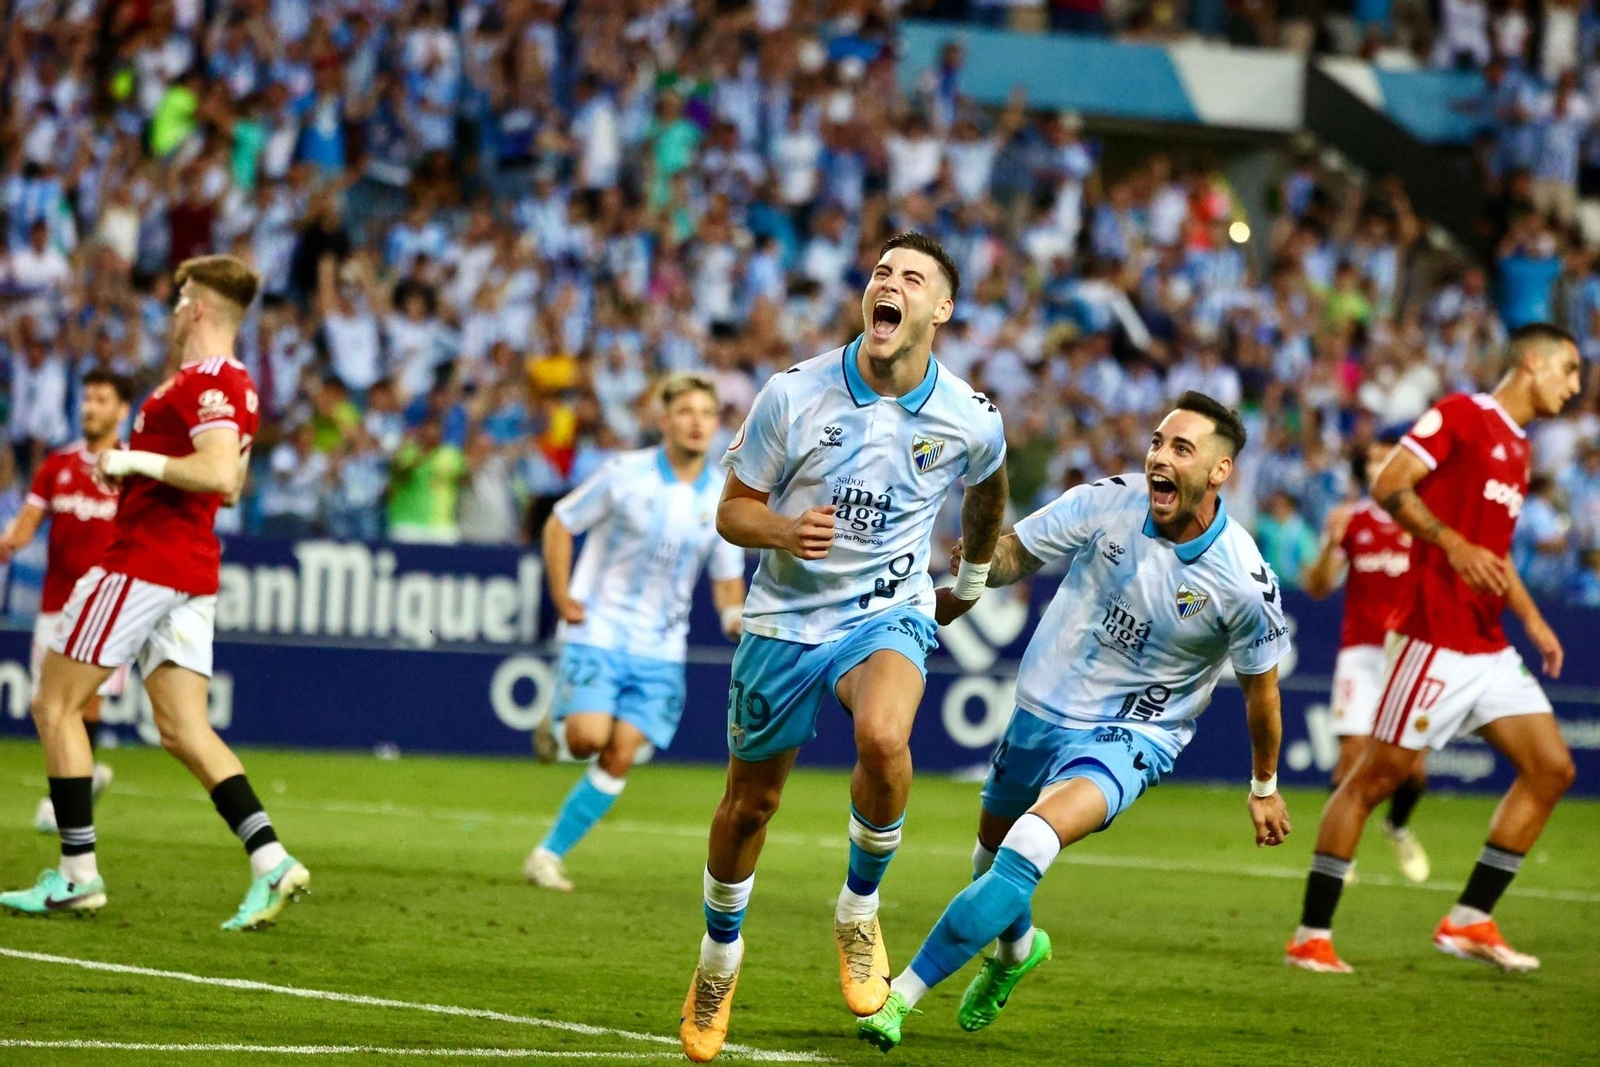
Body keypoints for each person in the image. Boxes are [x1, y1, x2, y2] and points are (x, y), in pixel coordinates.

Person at [856, 392, 1294, 1052]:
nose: (1159, 457)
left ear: (1219, 470)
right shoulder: (1109, 500)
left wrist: (1264, 786)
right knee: (990, 856)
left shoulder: (1243, 580)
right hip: (1043, 707)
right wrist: (977, 564)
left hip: (1135, 733)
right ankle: (1017, 950)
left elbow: (1263, 693)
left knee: (1029, 844)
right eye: (1156, 442)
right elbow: (1018, 553)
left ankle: (899, 997)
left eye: (1181, 448)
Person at [679, 233, 1009, 1062]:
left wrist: (969, 583)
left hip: (886, 610)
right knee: (749, 806)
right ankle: (718, 960)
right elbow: (732, 511)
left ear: (942, 308)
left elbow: (989, 489)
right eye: (881, 272)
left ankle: (859, 911)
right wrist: (785, 530)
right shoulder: (793, 394)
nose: (888, 283)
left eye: (912, 277)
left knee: (885, 737)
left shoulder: (969, 416)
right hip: (785, 620)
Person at [0, 255, 310, 931]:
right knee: (183, 729)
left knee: (53, 703)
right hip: (191, 571)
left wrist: (130, 460)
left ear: (197, 308)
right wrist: (143, 475)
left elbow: (219, 472)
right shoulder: (240, 386)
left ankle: (76, 875)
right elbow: (231, 486)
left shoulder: (208, 379)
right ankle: (271, 859)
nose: (171, 314)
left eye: (178, 301)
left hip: (145, 561)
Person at [1287, 323, 1582, 974]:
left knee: (1552, 768)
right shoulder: (1462, 414)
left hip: (1488, 643)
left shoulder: (1518, 446)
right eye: (1569, 371)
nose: (1574, 387)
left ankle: (1469, 919)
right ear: (1532, 362)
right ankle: (1311, 934)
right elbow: (1391, 482)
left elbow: (1494, 551)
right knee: (1373, 778)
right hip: (1433, 637)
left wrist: (1533, 618)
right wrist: (1451, 543)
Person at [525, 374, 747, 890]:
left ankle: (546, 855)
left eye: (706, 413)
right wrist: (562, 595)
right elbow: (560, 522)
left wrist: (733, 616)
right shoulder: (625, 473)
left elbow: (726, 579)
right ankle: (560, 718)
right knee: (587, 740)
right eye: (685, 411)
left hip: (661, 646)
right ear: (663, 420)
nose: (697, 422)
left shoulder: (723, 497)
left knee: (620, 753)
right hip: (598, 629)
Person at [0, 369, 134, 833]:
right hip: (57, 603)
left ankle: (64, 801)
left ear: (122, 410)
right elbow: (28, 521)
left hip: (107, 605)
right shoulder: (57, 465)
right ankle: (82, 780)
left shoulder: (134, 470)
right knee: (48, 704)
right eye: (87, 398)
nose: (90, 407)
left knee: (83, 702)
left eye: (101, 400)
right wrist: (9, 541)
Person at [1300, 436, 1429, 883]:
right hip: (1361, 652)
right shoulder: (1350, 520)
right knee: (1352, 753)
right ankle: (1341, 852)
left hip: (1410, 655)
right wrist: (1329, 545)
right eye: (1371, 460)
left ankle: (1396, 826)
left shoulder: (1424, 518)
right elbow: (1318, 588)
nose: (1378, 466)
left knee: (1412, 770)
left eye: (1386, 458)